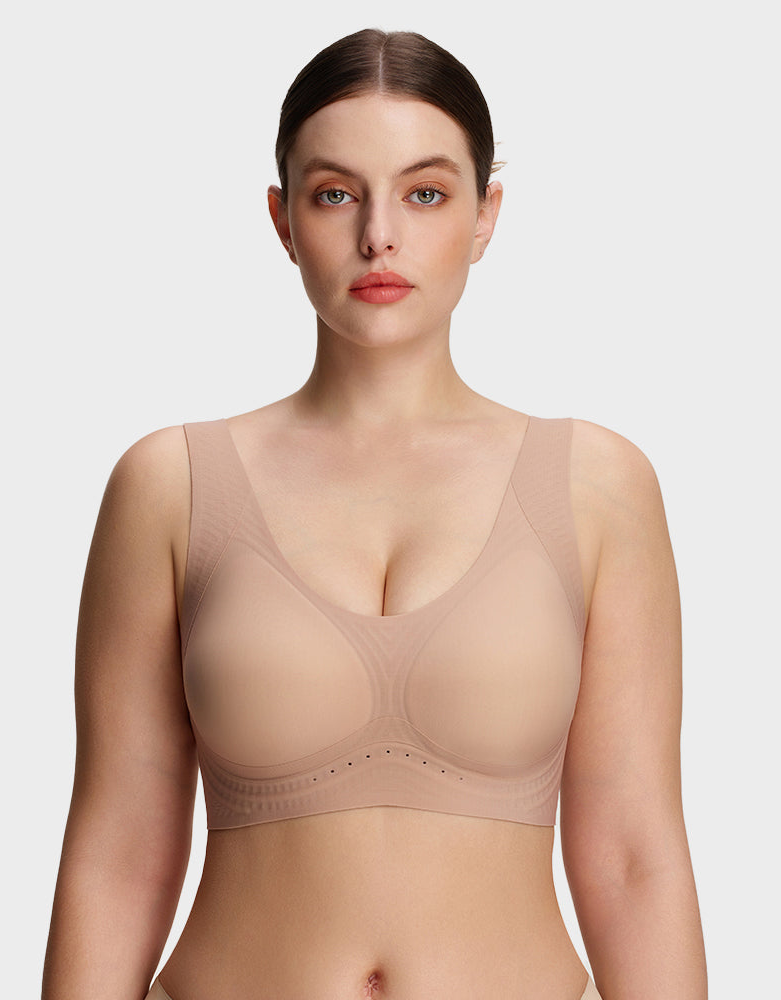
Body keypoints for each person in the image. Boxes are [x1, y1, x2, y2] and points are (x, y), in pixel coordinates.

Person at [42, 28, 707, 1000]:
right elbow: (116, 853)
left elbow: (634, 858)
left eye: (425, 193)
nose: (379, 236)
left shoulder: (597, 485)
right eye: (335, 193)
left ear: (485, 215)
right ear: (282, 220)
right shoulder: (170, 485)